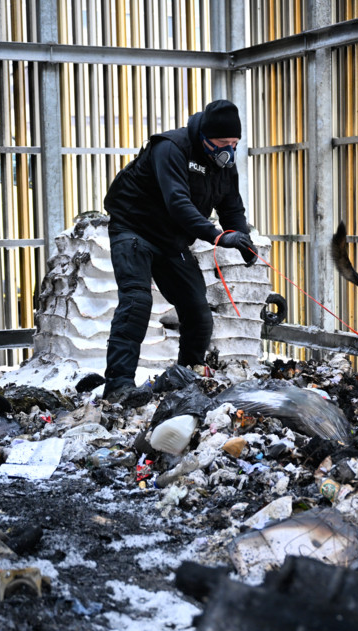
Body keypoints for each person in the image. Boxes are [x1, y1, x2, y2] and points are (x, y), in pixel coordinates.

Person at [101, 99, 256, 406]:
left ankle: (187, 374)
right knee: (136, 301)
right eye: (224, 143)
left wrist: (243, 240)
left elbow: (231, 207)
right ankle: (118, 386)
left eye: (235, 143)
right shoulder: (171, 148)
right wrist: (218, 236)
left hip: (171, 239)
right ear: (206, 137)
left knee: (197, 309)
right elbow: (178, 204)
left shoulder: (224, 165)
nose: (229, 150)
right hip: (135, 228)